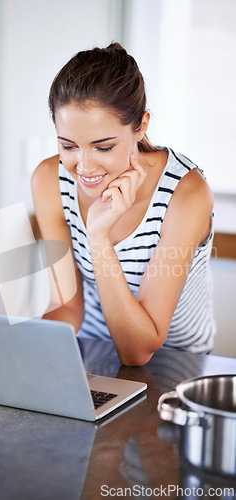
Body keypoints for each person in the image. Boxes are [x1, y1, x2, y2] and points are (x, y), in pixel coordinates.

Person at [31, 42, 215, 366]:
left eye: (103, 147)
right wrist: (25, 351)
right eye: (68, 145)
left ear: (141, 126)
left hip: (178, 365)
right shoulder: (49, 180)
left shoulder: (186, 194)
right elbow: (67, 306)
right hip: (93, 352)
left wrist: (99, 238)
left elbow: (137, 351)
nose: (84, 167)